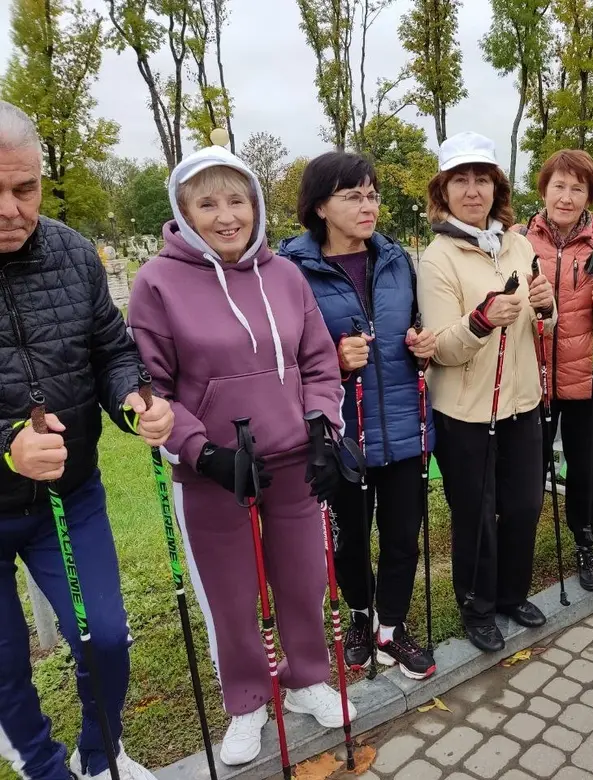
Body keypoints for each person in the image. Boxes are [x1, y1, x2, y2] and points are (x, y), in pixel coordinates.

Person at [127, 145, 351, 765]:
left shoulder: (285, 275)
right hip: (214, 472)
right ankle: (248, 700)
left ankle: (307, 680)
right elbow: (154, 387)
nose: (226, 216)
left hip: (294, 459)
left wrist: (322, 423)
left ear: (254, 204)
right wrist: (200, 450)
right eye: (207, 203)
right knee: (230, 594)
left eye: (237, 200)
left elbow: (317, 360)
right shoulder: (157, 282)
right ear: (184, 210)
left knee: (304, 580)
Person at [0, 101, 175, 780]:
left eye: (25, 188)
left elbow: (111, 351)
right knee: (6, 660)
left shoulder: (73, 253)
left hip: (68, 498)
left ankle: (101, 757)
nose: (12, 209)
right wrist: (7, 442)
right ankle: (44, 766)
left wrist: (135, 400)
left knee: (104, 636)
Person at [280, 151, 438, 681]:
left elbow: (412, 326)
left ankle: (391, 627)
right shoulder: (291, 271)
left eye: (372, 195)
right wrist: (334, 356)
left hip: (401, 427)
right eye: (352, 196)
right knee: (350, 539)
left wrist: (420, 345)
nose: (368, 205)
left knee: (401, 535)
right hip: (341, 434)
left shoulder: (396, 260)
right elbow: (283, 358)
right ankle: (360, 616)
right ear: (321, 206)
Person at [416, 131, 556, 653]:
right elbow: (441, 349)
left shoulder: (519, 244)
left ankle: (510, 595)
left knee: (523, 505)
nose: (472, 190)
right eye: (460, 180)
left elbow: (546, 317)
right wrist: (479, 322)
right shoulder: (437, 258)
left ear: (496, 187)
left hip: (522, 401)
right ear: (444, 191)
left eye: (482, 179)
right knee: (476, 516)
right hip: (465, 412)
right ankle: (477, 605)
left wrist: (546, 305)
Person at [518, 149, 593, 591]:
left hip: (588, 376)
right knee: (527, 471)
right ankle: (520, 551)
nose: (567, 197)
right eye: (559, 186)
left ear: (589, 195)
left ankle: (585, 542)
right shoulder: (518, 240)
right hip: (532, 379)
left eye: (578, 188)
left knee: (585, 469)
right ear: (544, 189)